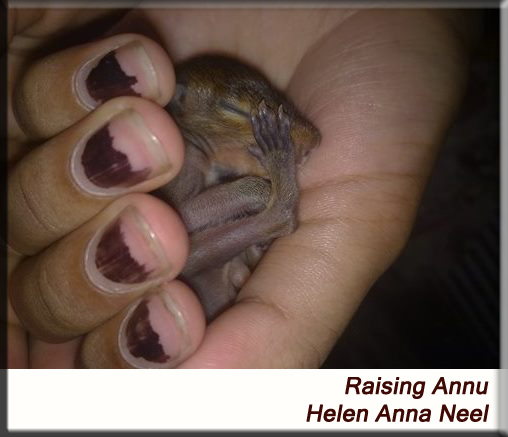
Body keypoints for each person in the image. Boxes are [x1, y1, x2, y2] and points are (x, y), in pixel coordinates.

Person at [6, 8, 479, 368]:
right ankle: (272, 212)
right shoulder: (180, 149)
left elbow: (293, 140)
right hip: (198, 281)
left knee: (243, 200)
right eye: (251, 123)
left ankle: (272, 211)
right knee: (245, 200)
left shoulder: (208, 164)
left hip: (199, 282)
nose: (303, 143)